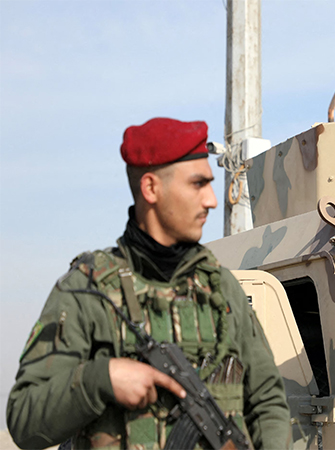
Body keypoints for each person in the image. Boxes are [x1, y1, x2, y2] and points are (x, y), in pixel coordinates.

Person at [7, 118, 291, 450]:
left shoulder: (222, 290)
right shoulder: (86, 292)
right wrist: (101, 379)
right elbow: (24, 421)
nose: (212, 200)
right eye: (198, 184)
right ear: (151, 188)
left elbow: (268, 402)